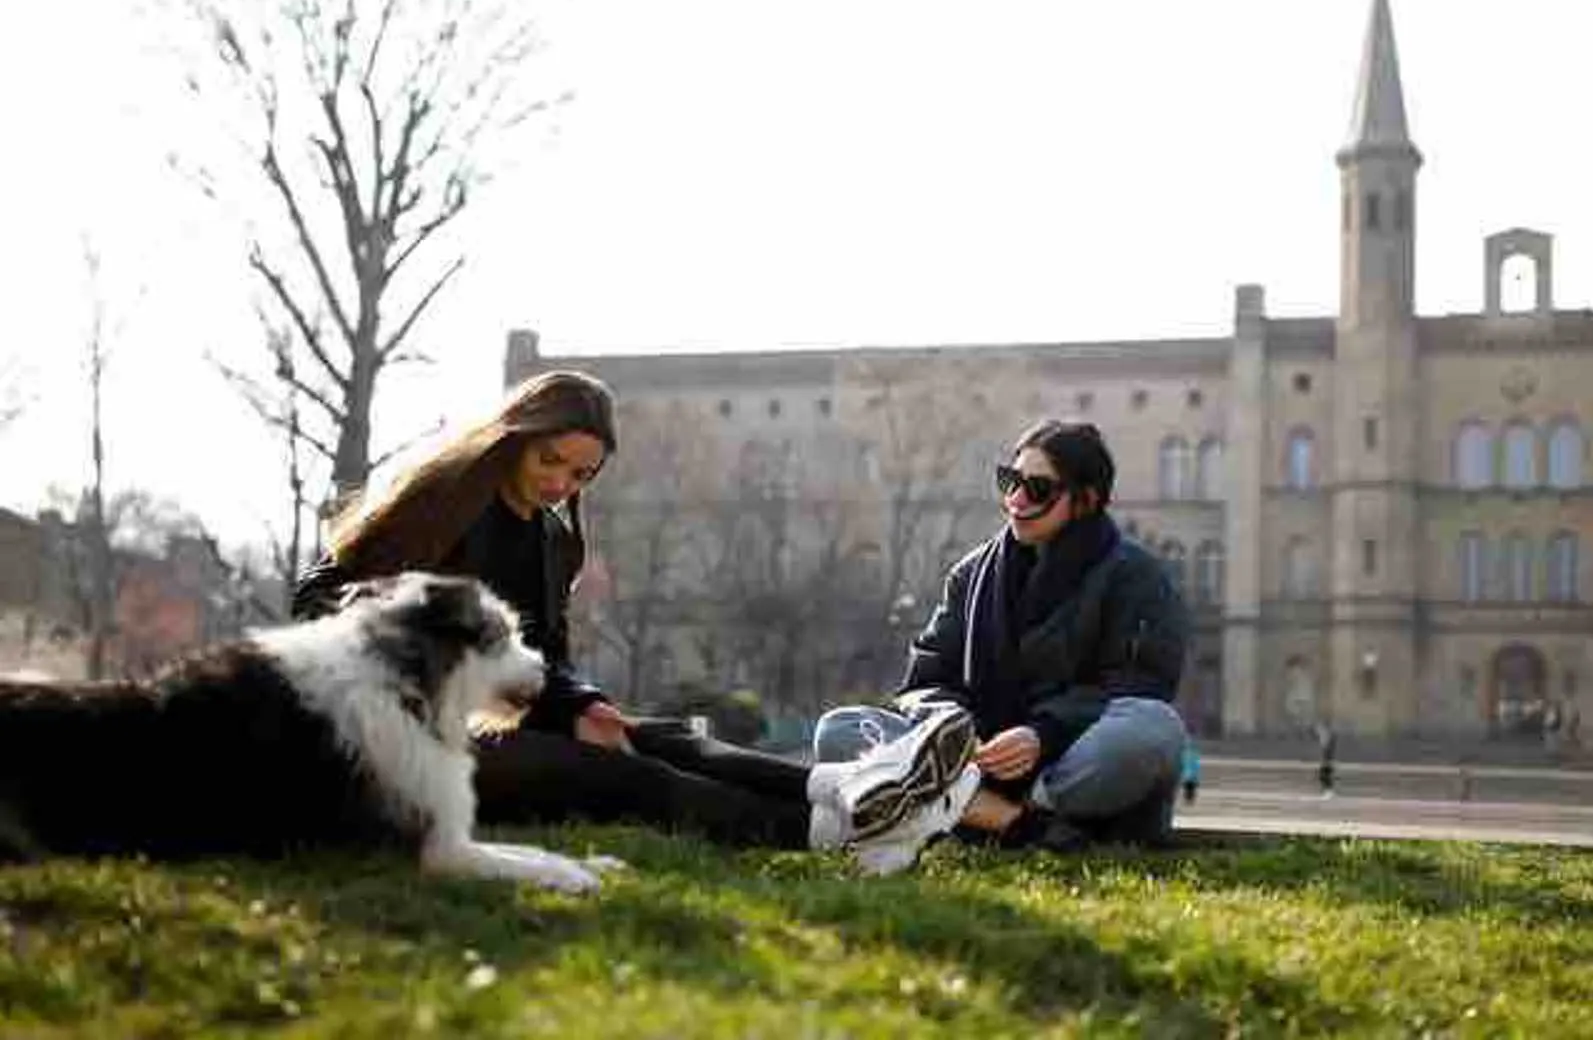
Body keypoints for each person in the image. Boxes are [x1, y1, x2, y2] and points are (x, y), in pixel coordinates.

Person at [292, 370, 973, 874]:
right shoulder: (444, 500)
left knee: (651, 737)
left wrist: (585, 703)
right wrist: (410, 633)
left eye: (581, 474)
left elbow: (543, 658)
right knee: (623, 778)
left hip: (491, 717)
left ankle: (851, 793)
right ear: (515, 438)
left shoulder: (552, 541)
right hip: (402, 736)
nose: (561, 483)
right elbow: (318, 592)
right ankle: (837, 833)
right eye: (550, 460)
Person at [814, 419, 1190, 859]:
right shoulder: (971, 573)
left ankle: (985, 813)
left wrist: (1042, 734)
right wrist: (952, 731)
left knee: (1153, 730)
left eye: (1037, 488)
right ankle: (1022, 826)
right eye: (1010, 481)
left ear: (1085, 500)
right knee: (841, 730)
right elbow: (924, 680)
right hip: (975, 764)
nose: (1015, 499)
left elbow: (1139, 685)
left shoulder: (1138, 575)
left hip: (1069, 765)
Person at [1180, 740, 1201, 806]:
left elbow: (1184, 765)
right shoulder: (1191, 755)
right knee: (1190, 789)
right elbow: (1196, 766)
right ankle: (1189, 800)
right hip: (1190, 776)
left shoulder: (1186, 755)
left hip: (1188, 776)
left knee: (1188, 789)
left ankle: (1188, 800)